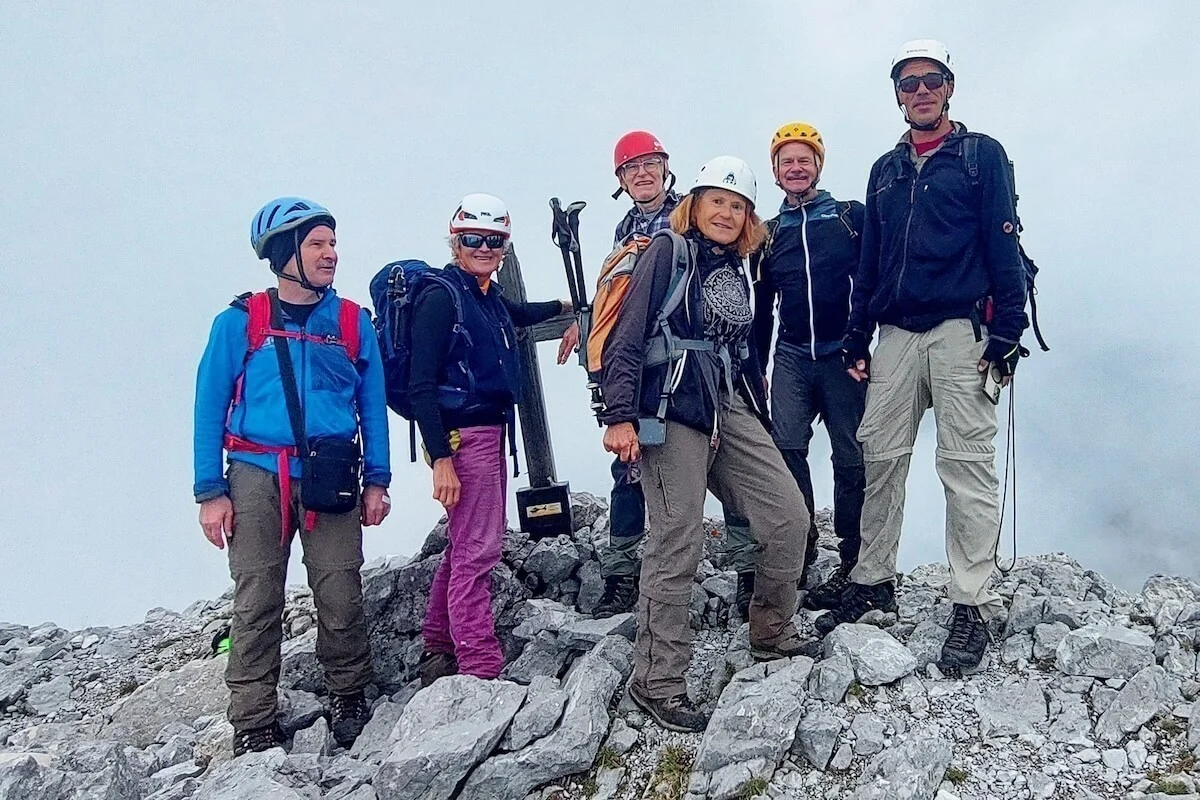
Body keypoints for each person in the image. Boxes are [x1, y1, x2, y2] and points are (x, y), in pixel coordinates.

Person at [817, 40, 1029, 674]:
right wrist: (857, 337)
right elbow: (872, 260)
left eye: (930, 80)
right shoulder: (886, 170)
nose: (920, 92)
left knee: (964, 464)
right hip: (897, 334)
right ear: (898, 96)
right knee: (879, 455)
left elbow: (1004, 239)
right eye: (908, 84)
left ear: (950, 86)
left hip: (963, 329)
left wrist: (1009, 329)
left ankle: (972, 601)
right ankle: (873, 578)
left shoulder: (980, 156)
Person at [601, 157, 814, 732]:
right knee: (678, 537)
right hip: (672, 407)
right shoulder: (666, 252)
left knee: (789, 517)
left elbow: (740, 353)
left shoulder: (736, 266)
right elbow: (629, 332)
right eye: (715, 200)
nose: (725, 212)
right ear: (694, 205)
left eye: (737, 204)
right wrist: (619, 415)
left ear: (748, 218)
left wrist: (757, 420)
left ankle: (771, 632)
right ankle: (657, 680)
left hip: (727, 403)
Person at [194, 197, 391, 755]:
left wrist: (377, 479)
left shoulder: (353, 323)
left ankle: (349, 692)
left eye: (332, 242)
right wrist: (210, 491)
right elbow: (209, 406)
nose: (332, 254)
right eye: (316, 245)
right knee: (257, 595)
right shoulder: (241, 322)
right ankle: (252, 719)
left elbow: (371, 406)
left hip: (333, 474)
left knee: (341, 587)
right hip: (255, 473)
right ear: (284, 255)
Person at [587, 131, 757, 620]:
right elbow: (622, 302)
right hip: (646, 369)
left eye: (649, 163)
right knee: (629, 468)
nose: (641, 173)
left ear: (665, 166)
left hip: (699, 370)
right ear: (620, 179)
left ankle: (745, 572)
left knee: (722, 467)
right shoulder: (623, 230)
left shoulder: (695, 216)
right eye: (630, 168)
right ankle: (622, 576)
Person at [412, 193, 575, 686]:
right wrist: (441, 458)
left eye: (494, 240)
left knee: (464, 543)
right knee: (479, 550)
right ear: (456, 240)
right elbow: (421, 383)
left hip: (485, 434)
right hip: (466, 441)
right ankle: (479, 666)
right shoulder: (442, 297)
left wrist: (571, 308)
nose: (484, 248)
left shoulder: (483, 294)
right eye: (473, 239)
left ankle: (438, 645)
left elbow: (523, 313)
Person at [751, 123, 866, 610]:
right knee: (787, 450)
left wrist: (863, 343)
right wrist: (756, 365)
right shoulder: (767, 234)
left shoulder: (847, 218)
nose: (795, 168)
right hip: (793, 355)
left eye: (804, 160)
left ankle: (854, 557)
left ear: (819, 166)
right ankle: (800, 547)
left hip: (842, 354)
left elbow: (871, 283)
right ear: (775, 173)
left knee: (851, 456)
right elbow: (761, 308)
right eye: (786, 162)